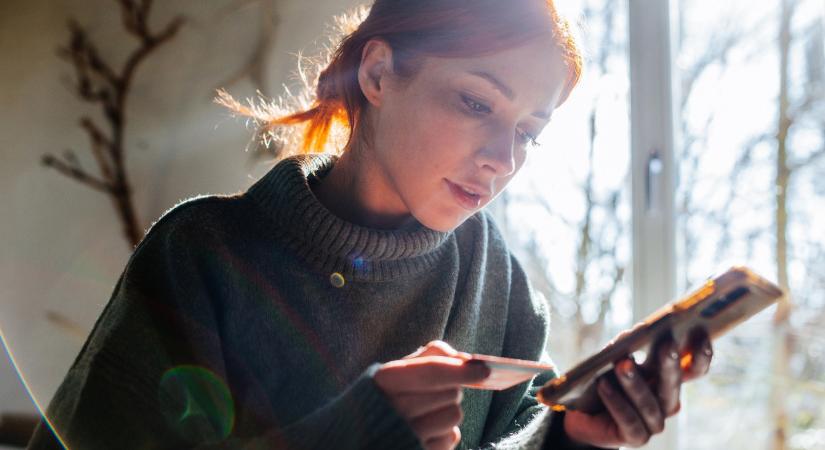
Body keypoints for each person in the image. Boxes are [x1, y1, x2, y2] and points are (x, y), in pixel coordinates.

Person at [27, 0, 713, 449]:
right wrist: (356, 434)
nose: (502, 159)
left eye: (528, 133)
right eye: (476, 103)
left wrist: (571, 439)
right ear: (379, 73)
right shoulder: (200, 255)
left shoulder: (494, 277)